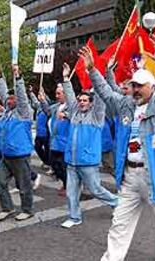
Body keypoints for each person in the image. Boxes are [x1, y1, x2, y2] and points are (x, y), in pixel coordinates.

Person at [82, 35, 155, 261]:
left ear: (152, 87)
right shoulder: (126, 104)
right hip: (130, 177)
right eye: (134, 85)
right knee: (119, 223)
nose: (136, 89)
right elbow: (107, 93)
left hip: (154, 176)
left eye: (141, 85)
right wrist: (92, 70)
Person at [56, 61, 118, 228]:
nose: (82, 102)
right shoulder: (75, 114)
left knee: (96, 190)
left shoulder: (97, 116)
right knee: (71, 193)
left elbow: (100, 96)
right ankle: (74, 217)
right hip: (72, 162)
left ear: (91, 103)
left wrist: (100, 73)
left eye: (85, 100)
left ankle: (117, 203)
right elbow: (69, 97)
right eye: (80, 100)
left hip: (88, 162)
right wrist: (66, 79)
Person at [0, 64, 35, 221]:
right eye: (8, 98)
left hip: (20, 155)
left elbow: (22, 96)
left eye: (12, 98)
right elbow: (4, 94)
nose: (9, 100)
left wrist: (18, 77)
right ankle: (8, 208)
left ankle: (27, 209)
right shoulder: (7, 113)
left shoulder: (23, 112)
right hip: (6, 156)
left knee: (23, 186)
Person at [40, 84, 70, 196]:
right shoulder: (56, 107)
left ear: (66, 94)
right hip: (54, 143)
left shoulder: (71, 107)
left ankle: (68, 186)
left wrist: (66, 115)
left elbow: (75, 116)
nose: (57, 96)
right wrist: (43, 100)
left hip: (65, 143)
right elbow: (47, 111)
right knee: (54, 165)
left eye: (59, 93)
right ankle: (65, 183)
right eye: (56, 93)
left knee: (64, 167)